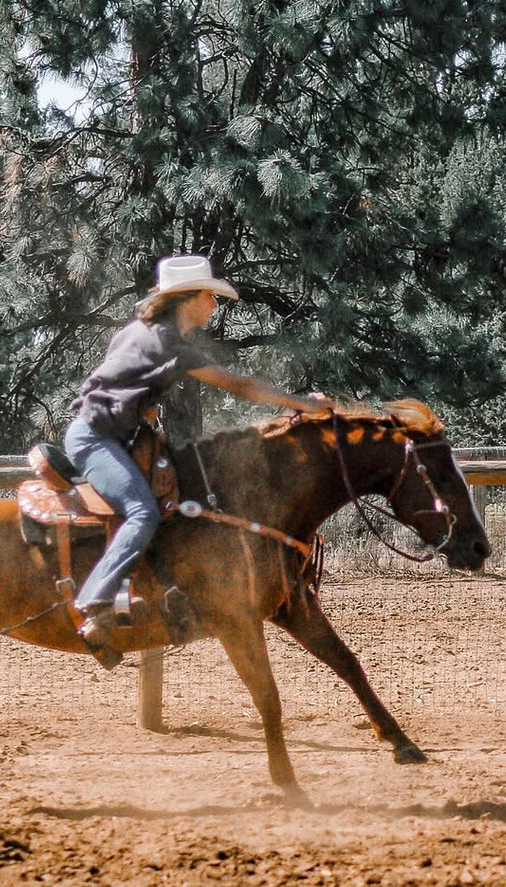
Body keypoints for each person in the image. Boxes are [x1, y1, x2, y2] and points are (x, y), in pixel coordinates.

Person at [64, 253, 333, 653]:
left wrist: (141, 407)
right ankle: (93, 600)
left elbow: (112, 381)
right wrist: (304, 404)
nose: (214, 304)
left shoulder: (139, 332)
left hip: (107, 435)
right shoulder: (169, 346)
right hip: (96, 440)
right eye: (209, 296)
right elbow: (239, 386)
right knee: (143, 512)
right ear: (188, 298)